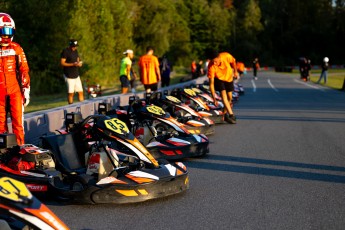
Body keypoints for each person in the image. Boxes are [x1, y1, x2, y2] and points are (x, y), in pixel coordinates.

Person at [0, 13, 30, 145]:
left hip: (15, 91)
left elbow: (24, 69)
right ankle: (3, 152)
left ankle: (20, 149)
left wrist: (26, 89)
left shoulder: (16, 48)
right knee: (0, 125)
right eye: (3, 32)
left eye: (9, 32)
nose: (6, 36)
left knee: (18, 123)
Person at [207, 50, 238, 124]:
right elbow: (211, 83)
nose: (214, 63)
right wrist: (213, 97)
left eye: (215, 61)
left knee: (230, 98)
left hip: (228, 77)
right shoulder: (211, 66)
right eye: (212, 61)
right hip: (219, 79)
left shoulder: (226, 56)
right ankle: (231, 114)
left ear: (219, 58)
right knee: (224, 95)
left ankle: (224, 115)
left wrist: (235, 71)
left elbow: (233, 61)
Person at [60, 39, 84, 104]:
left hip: (76, 75)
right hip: (69, 75)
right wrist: (72, 64)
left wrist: (79, 64)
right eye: (73, 46)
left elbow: (77, 60)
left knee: (80, 92)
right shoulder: (65, 51)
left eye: (76, 46)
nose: (75, 47)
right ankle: (70, 106)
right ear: (70, 45)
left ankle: (82, 106)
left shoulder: (76, 51)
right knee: (71, 93)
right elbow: (62, 63)